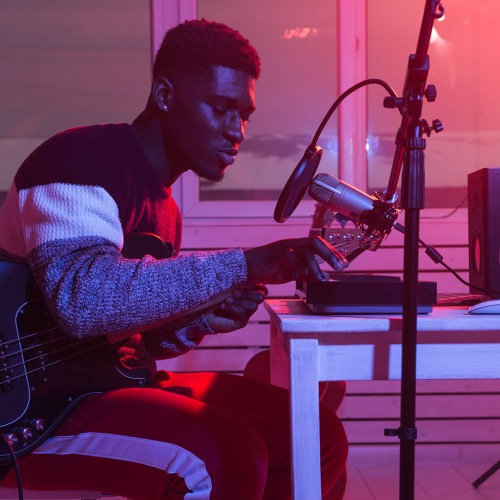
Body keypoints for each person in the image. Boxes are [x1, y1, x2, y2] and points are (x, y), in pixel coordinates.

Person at [0, 19, 349, 499]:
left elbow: (136, 340)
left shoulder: (166, 209)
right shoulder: (78, 160)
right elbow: (84, 300)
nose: (237, 132)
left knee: (314, 434)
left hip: (107, 385)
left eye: (245, 115)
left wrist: (200, 319)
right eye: (222, 109)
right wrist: (243, 265)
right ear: (165, 96)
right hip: (34, 409)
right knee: (226, 452)